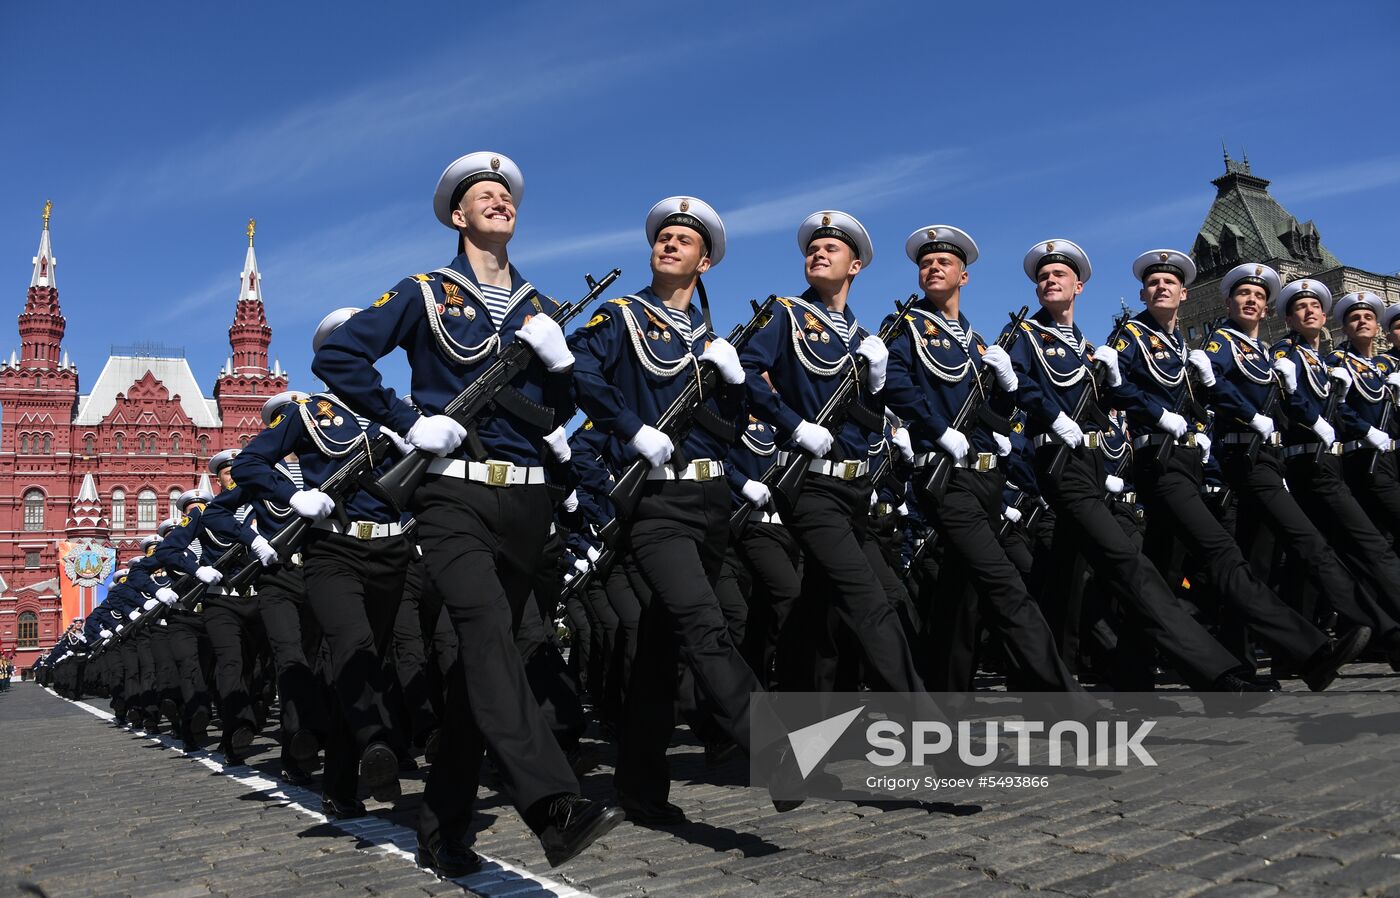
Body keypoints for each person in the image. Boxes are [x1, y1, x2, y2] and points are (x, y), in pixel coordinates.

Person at [312, 151, 622, 874]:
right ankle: (553, 805)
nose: (500, 201)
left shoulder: (542, 308)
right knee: (484, 635)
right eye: (484, 194)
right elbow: (342, 359)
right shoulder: (424, 292)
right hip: (450, 491)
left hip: (526, 498)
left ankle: (444, 828)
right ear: (458, 215)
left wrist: (565, 365)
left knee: (485, 667)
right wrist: (402, 419)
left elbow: (557, 414)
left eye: (507, 195)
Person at [569, 195, 771, 824]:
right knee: (705, 624)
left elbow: (737, 428)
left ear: (704, 261)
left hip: (710, 501)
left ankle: (639, 786)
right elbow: (576, 369)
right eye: (664, 236)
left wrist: (736, 384)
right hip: (655, 502)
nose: (670, 243)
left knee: (663, 653)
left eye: (684, 239)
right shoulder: (621, 317)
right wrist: (629, 426)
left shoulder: (710, 340)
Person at [1003, 239, 1263, 692]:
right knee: (1126, 564)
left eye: (1059, 275)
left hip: (1087, 462)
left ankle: (1045, 682)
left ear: (1078, 286)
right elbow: (1017, 389)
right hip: (1056, 458)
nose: (1049, 280)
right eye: (1043, 276)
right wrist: (1052, 414)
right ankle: (1214, 670)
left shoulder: (1085, 346)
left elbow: (1108, 407)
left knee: (1064, 581)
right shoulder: (1025, 336)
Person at [1102, 250, 1367, 689]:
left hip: (1188, 461)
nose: (1161, 288)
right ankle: (1308, 650)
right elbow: (1114, 389)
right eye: (1153, 284)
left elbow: (1202, 401)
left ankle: (1130, 671)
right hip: (1159, 460)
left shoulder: (1180, 346)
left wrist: (1203, 420)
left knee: (1163, 573)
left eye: (1170, 283)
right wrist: (1154, 411)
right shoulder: (1129, 336)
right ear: (1143, 293)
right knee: (1222, 554)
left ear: (1184, 294)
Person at [882, 224, 1083, 693]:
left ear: (964, 277)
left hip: (987, 479)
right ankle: (1062, 696)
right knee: (1004, 584)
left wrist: (1008, 393)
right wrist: (937, 431)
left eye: (944, 262)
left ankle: (945, 695)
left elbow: (993, 413)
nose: (933, 267)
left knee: (964, 593)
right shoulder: (907, 328)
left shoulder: (976, 343)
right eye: (926, 264)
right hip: (945, 477)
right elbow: (896, 384)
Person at [738, 210, 929, 696]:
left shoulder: (865, 339)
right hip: (809, 485)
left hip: (854, 489)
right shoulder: (785, 314)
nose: (818, 254)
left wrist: (881, 380)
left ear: (855, 267)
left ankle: (799, 741)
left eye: (831, 250)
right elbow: (744, 370)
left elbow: (900, 406)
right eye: (813, 249)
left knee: (817, 616)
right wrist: (793, 424)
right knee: (871, 601)